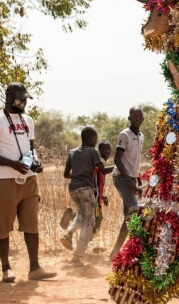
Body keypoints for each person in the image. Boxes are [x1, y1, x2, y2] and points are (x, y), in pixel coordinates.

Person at [0, 82, 56, 282]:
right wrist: (12, 164)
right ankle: (6, 269)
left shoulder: (28, 120)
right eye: (21, 98)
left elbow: (31, 149)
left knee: (31, 224)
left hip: (29, 180)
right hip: (4, 180)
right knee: (3, 225)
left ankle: (35, 268)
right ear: (9, 97)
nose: (24, 102)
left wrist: (36, 162)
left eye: (25, 98)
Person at [60, 128, 114, 265]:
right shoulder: (93, 151)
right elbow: (102, 170)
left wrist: (78, 175)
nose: (96, 141)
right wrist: (119, 166)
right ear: (90, 138)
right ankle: (77, 257)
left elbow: (66, 174)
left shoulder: (72, 152)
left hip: (73, 189)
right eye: (95, 138)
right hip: (86, 189)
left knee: (81, 215)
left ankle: (68, 233)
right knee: (89, 223)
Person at [109, 106, 144, 260]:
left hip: (131, 179)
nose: (137, 118)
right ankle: (132, 252)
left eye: (139, 116)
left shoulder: (141, 136)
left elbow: (135, 162)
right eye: (134, 116)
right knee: (135, 211)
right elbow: (117, 159)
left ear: (143, 119)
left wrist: (138, 182)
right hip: (121, 178)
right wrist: (129, 181)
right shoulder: (125, 135)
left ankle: (115, 253)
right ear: (129, 118)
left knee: (129, 217)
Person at [93, 141, 112, 236]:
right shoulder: (100, 161)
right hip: (95, 199)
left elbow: (97, 180)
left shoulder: (100, 162)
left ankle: (73, 216)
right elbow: (94, 175)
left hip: (97, 197)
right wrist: (118, 167)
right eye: (104, 149)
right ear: (99, 151)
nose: (107, 151)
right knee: (98, 218)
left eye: (109, 149)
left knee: (91, 218)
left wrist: (102, 196)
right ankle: (87, 240)